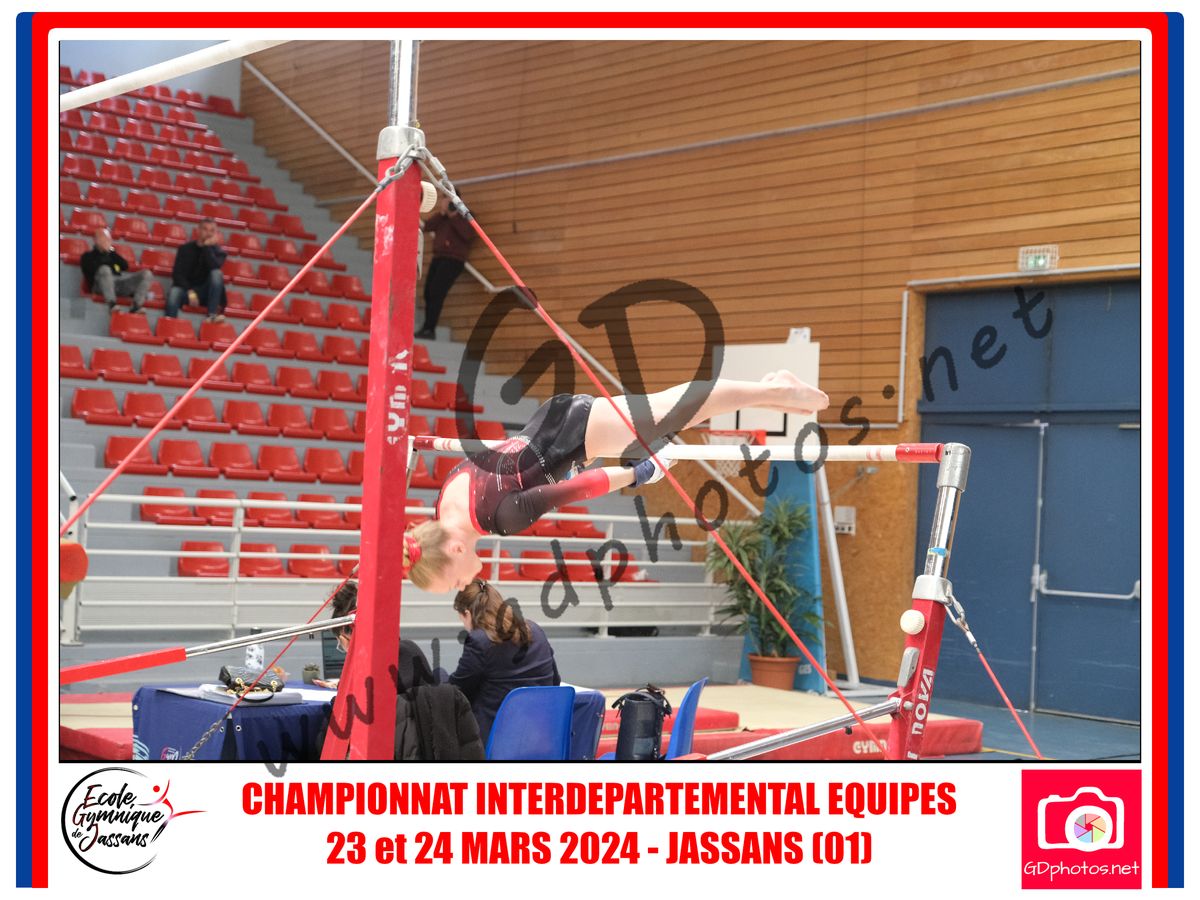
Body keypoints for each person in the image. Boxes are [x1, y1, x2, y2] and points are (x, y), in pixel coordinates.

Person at [399, 369, 830, 593]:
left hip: (577, 432)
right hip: (552, 425)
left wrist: (641, 472)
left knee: (678, 409)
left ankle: (776, 390)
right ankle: (771, 391)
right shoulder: (444, 503)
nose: (463, 587)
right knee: (678, 411)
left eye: (453, 582)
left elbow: (579, 488)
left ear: (455, 549)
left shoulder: (498, 518)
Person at [327, 580, 485, 760]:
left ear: (345, 637)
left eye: (340, 644)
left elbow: (340, 728)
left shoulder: (364, 671)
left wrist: (338, 694)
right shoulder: (411, 650)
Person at [448, 579, 560, 745]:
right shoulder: (535, 630)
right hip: (542, 737)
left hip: (496, 740)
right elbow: (555, 681)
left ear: (467, 614)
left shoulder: (480, 640)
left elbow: (458, 691)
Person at [417, 195, 475, 339]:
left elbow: (468, 235)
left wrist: (453, 214)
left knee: (436, 292)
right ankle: (427, 327)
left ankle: (429, 329)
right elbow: (427, 226)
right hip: (438, 257)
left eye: (449, 201)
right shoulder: (442, 218)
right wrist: (442, 213)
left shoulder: (465, 215)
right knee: (428, 292)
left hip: (453, 260)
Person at [79, 228, 153, 314]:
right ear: (96, 240)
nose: (106, 242)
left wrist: (111, 252)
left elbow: (125, 266)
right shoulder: (88, 256)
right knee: (105, 269)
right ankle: (112, 304)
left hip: (118, 284)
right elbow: (93, 269)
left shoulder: (112, 254)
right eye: (103, 239)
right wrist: (103, 254)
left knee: (146, 274)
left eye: (108, 239)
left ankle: (136, 306)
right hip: (100, 285)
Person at [167, 219, 228, 322]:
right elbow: (177, 274)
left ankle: (212, 315)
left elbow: (213, 267)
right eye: (205, 229)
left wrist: (206, 247)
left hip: (207, 294)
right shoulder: (185, 249)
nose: (208, 233)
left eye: (212, 230)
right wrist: (190, 292)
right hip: (187, 291)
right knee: (174, 292)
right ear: (198, 230)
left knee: (217, 273)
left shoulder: (219, 252)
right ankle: (169, 324)